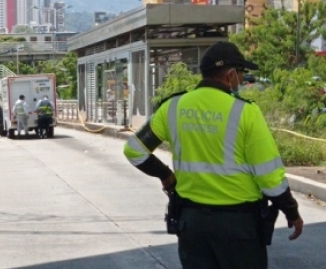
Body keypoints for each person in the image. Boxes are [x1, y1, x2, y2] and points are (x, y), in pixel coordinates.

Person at [123, 41, 303, 269]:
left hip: (192, 225)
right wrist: (292, 212)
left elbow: (134, 150)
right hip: (238, 227)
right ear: (230, 75)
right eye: (241, 73)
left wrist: (165, 174)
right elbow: (270, 177)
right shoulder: (246, 112)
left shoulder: (173, 107)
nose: (242, 79)